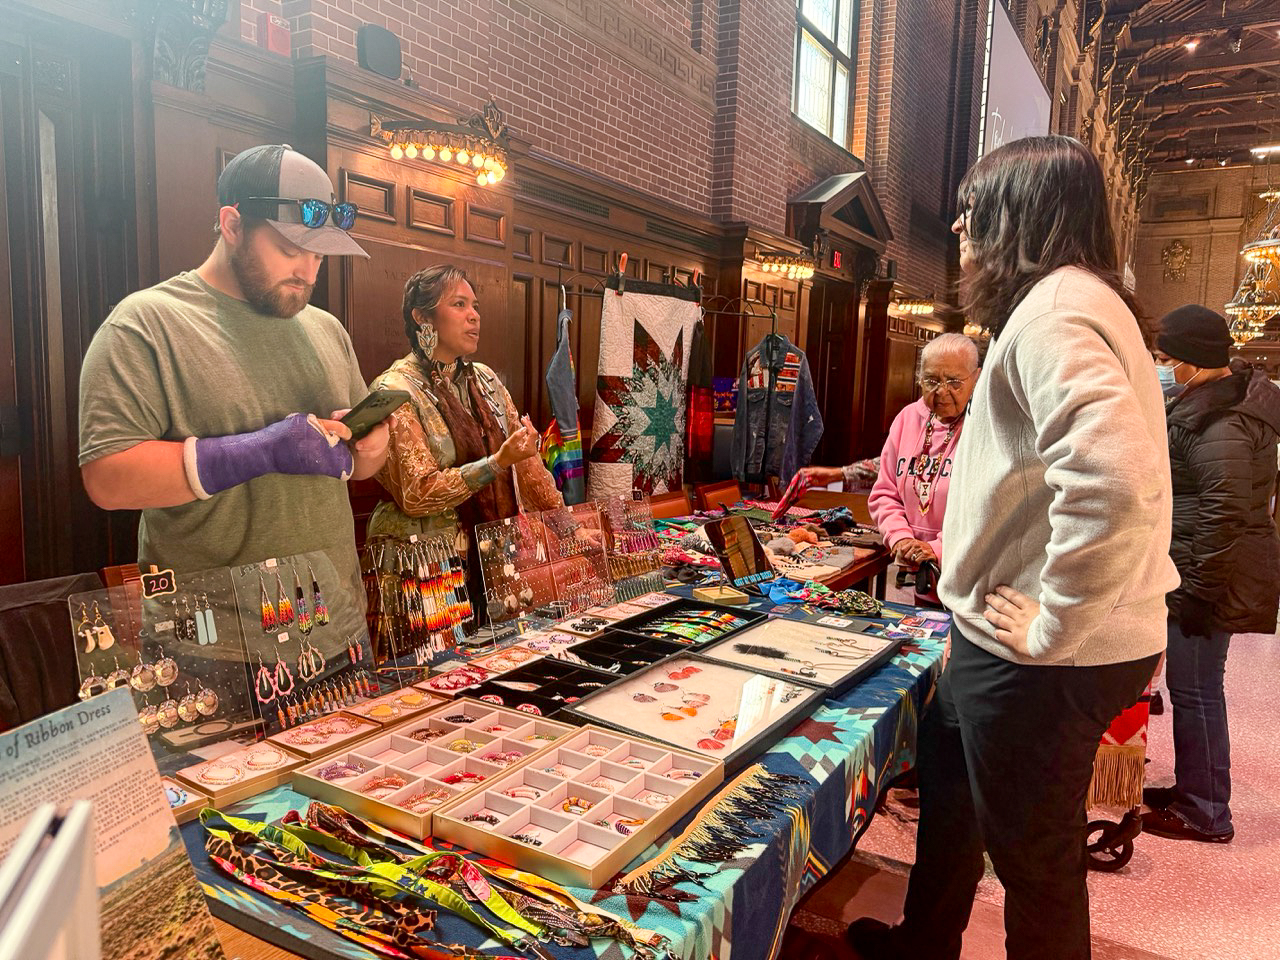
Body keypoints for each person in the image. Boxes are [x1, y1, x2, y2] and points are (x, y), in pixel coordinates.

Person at [847, 136, 1177, 960]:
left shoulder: (1057, 310)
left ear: (1019, 217)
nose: (959, 228)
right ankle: (926, 943)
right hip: (1002, 640)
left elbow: (1112, 481)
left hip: (1040, 656)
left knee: (1036, 865)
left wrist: (1054, 624)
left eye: (972, 211)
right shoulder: (1072, 300)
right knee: (953, 805)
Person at [79, 144, 387, 613]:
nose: (307, 273)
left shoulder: (326, 329)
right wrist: (261, 450)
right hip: (212, 649)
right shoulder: (146, 323)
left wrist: (372, 447)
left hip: (339, 627)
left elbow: (361, 466)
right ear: (233, 225)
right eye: (289, 251)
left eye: (320, 257)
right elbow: (107, 478)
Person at [1141, 305, 1280, 844]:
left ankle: (1204, 810)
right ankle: (1193, 790)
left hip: (1210, 575)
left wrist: (1197, 591)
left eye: (1166, 358)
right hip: (1202, 566)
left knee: (1196, 690)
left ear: (1194, 360)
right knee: (1194, 688)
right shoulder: (1213, 401)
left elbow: (1223, 513)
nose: (1162, 366)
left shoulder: (1222, 420)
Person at [367, 264, 563, 599]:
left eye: (475, 306)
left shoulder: (485, 379)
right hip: (424, 562)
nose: (474, 316)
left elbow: (528, 466)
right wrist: (496, 463)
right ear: (422, 318)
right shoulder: (395, 389)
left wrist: (568, 526)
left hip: (495, 552)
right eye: (459, 305)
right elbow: (417, 493)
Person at [869, 332, 978, 603]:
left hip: (971, 588)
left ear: (976, 379)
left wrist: (937, 548)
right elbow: (885, 493)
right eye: (931, 380)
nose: (941, 391)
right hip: (923, 581)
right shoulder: (907, 419)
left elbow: (986, 510)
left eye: (953, 381)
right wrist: (901, 540)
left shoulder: (985, 426)